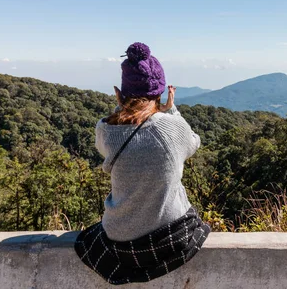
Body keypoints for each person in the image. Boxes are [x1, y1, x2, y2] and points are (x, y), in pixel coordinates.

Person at [74, 42, 210, 285]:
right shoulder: (172, 126)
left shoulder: (105, 130)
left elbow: (111, 139)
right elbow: (194, 143)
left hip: (119, 240)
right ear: (159, 93)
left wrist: (123, 105)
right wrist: (171, 111)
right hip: (169, 237)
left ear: (119, 92)